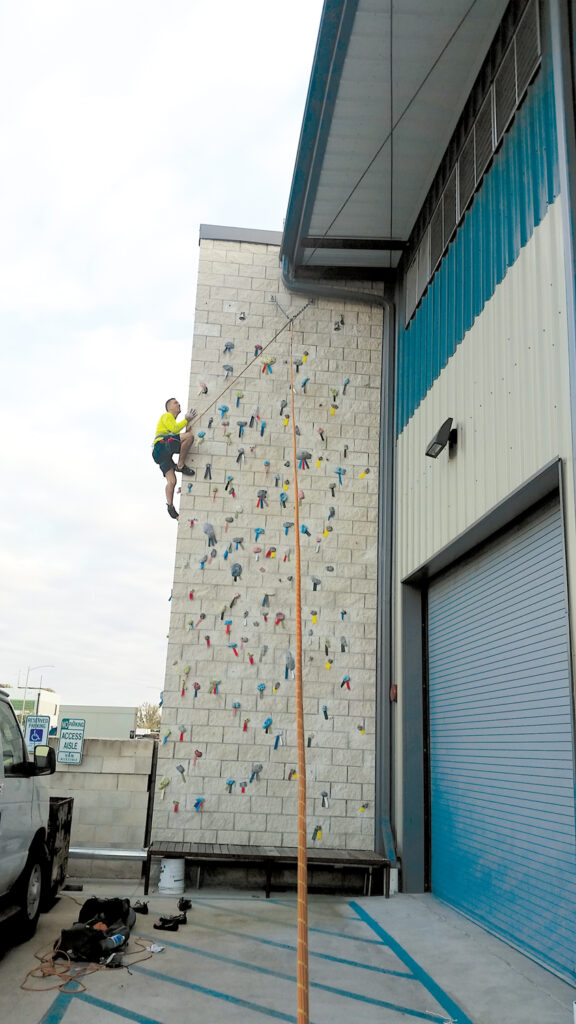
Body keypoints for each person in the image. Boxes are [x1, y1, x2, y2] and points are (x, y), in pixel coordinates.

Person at [152, 398, 197, 520]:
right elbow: (175, 429)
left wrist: (184, 431)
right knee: (189, 437)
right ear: (169, 407)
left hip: (161, 453)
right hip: (162, 445)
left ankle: (171, 508)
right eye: (175, 403)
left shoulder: (169, 421)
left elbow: (175, 433)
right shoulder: (167, 416)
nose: (178, 404)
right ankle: (180, 466)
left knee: (172, 481)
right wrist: (186, 420)